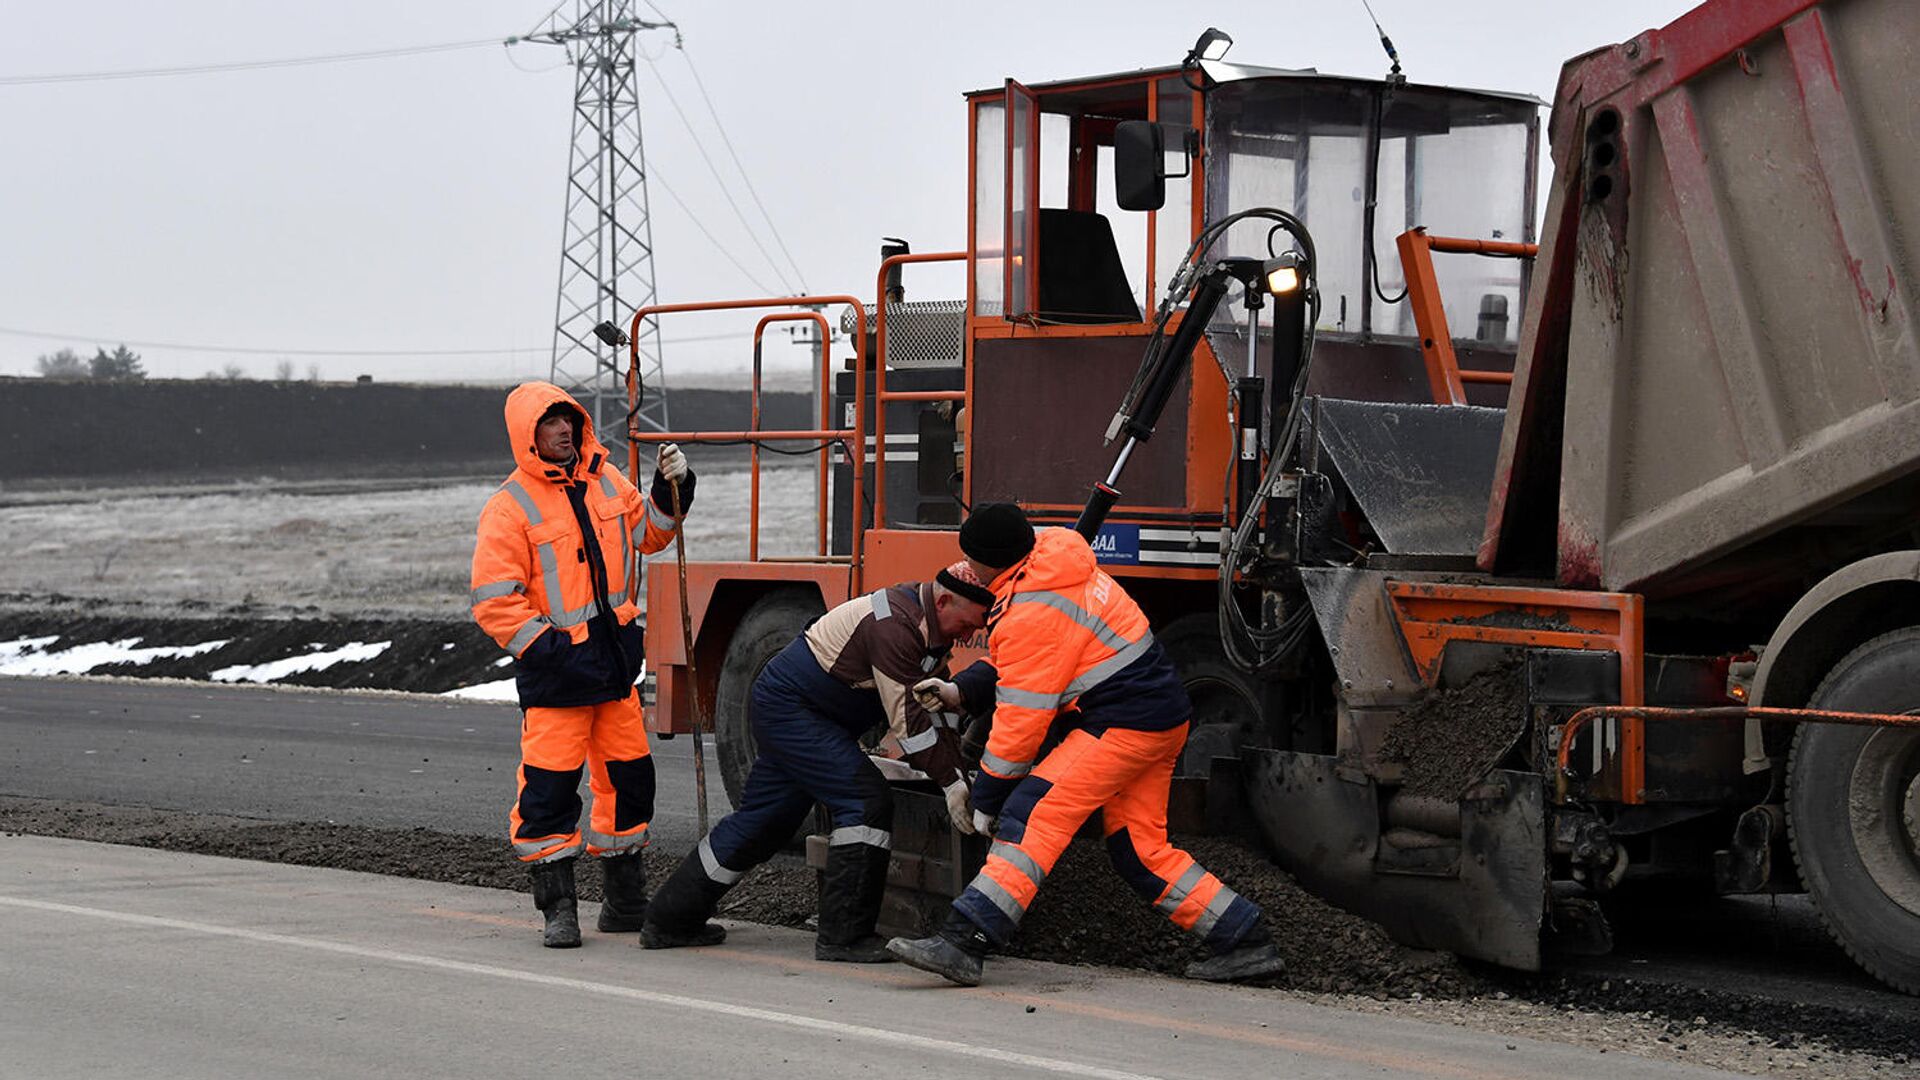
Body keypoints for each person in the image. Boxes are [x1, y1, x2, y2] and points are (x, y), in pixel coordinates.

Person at [888, 503, 1287, 986]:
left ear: (993, 562)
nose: (969, 569)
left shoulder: (1031, 609)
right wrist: (960, 691)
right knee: (1139, 849)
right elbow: (1030, 662)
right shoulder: (1054, 564)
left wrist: (989, 798)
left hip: (1122, 725)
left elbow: (1021, 725)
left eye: (972, 560)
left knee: (1030, 815)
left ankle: (964, 940)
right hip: (1161, 718)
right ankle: (1244, 939)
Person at [640, 562, 993, 961]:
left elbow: (934, 711)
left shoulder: (930, 630)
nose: (968, 636)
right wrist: (950, 784)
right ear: (944, 601)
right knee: (864, 802)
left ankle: (669, 918)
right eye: (967, 625)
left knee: (764, 822)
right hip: (794, 711)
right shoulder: (895, 625)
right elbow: (910, 725)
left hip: (798, 711)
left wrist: (961, 774)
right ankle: (843, 937)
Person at [469, 381, 695, 948]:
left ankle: (624, 905)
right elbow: (494, 602)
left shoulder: (606, 479)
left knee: (629, 783)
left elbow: (653, 535)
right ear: (529, 436)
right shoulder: (509, 507)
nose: (564, 430)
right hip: (558, 678)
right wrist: (553, 651)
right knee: (548, 791)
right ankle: (558, 910)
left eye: (569, 420)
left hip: (615, 670)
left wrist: (675, 488)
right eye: (550, 424)